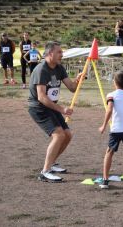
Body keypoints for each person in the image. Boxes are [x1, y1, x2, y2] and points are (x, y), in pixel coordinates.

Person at [28, 41, 82, 183]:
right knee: (58, 135)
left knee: (68, 135)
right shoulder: (41, 70)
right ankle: (45, 172)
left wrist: (78, 80)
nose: (62, 55)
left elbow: (72, 87)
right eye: (59, 52)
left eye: (62, 52)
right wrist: (62, 109)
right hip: (38, 108)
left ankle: (52, 163)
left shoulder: (59, 68)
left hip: (51, 107)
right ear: (50, 53)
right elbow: (41, 97)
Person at [98, 71, 123, 193]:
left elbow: (109, 109)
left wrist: (104, 125)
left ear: (114, 82)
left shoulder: (111, 95)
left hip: (116, 129)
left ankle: (105, 180)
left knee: (109, 152)